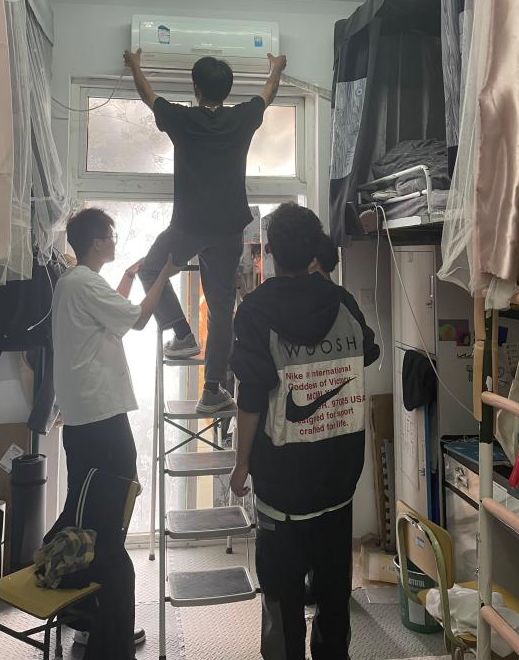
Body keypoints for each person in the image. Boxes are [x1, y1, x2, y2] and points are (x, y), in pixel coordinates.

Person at [230, 202, 380, 660]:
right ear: (315, 248)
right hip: (338, 478)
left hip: (282, 484)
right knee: (334, 590)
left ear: (270, 251)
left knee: (281, 593)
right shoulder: (342, 302)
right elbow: (367, 352)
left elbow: (251, 398)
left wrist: (240, 465)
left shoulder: (254, 311)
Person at [123, 48, 287, 414]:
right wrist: (275, 67)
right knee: (220, 309)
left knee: (149, 270)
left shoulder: (183, 119)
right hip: (228, 229)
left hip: (188, 226)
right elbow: (269, 93)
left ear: (195, 89)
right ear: (227, 91)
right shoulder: (242, 117)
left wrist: (135, 65)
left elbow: (148, 95)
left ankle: (182, 334)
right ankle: (212, 390)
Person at [50, 206, 179, 660]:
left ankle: (87, 618)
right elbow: (138, 319)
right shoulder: (84, 283)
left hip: (85, 421)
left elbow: (112, 320)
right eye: (111, 235)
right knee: (111, 521)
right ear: (96, 242)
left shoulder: (73, 283)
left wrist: (126, 278)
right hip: (101, 420)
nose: (115, 241)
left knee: (89, 519)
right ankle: (107, 634)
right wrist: (164, 275)